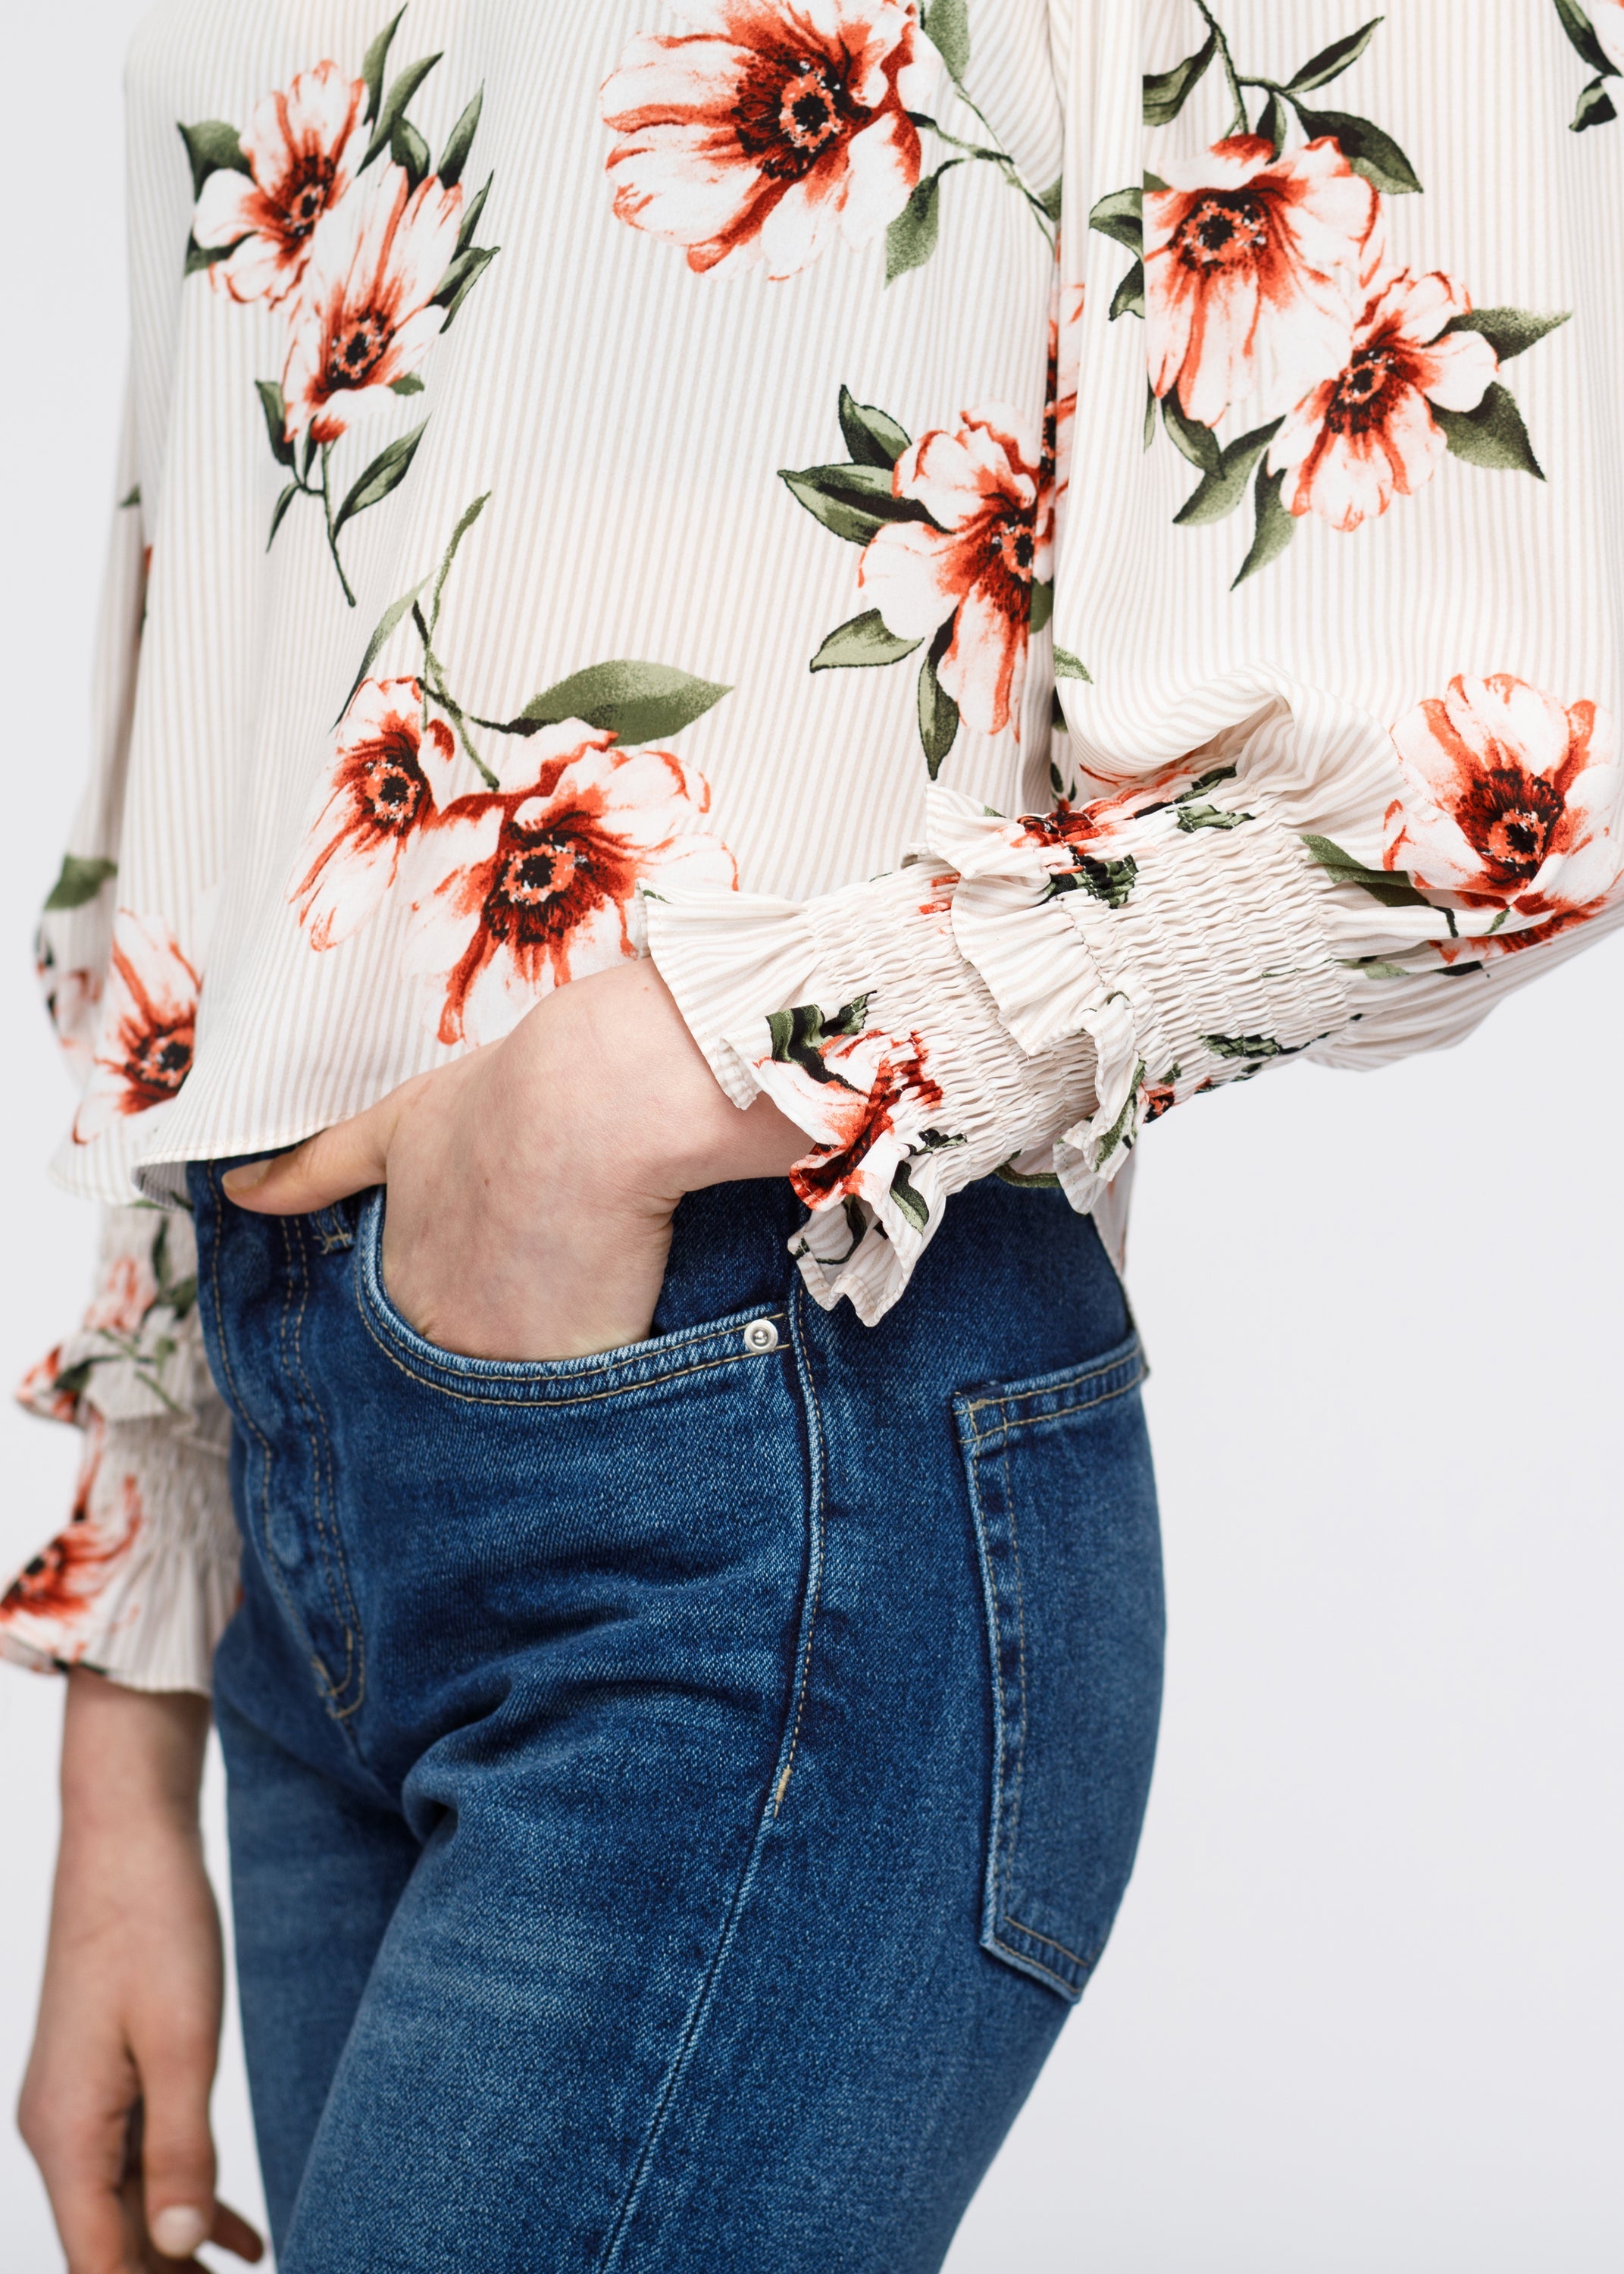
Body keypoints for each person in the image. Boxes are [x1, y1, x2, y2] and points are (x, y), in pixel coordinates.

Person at [8, 2, 1623, 2267]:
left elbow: (1487, 772)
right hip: (292, 1467)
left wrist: (637, 1089)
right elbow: (218, 692)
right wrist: (128, 1728)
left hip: (753, 1439)